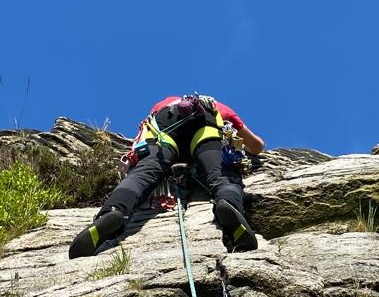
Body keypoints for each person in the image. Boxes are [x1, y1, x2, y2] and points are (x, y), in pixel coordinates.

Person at [68, 94, 265, 258]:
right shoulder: (218, 106)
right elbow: (257, 146)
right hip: (205, 123)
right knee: (221, 173)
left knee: (143, 172)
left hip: (166, 125)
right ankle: (229, 206)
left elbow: (147, 130)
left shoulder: (165, 102)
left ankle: (112, 211)